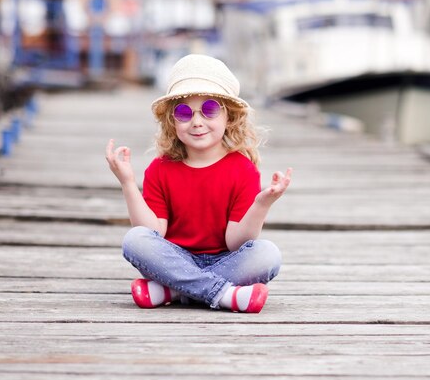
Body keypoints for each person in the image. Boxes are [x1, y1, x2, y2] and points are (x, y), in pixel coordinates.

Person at [105, 54, 292, 313]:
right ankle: (223, 293)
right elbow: (152, 232)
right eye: (184, 112)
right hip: (173, 259)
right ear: (172, 120)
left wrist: (262, 204)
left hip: (226, 259)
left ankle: (173, 290)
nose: (197, 121)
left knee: (268, 254)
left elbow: (236, 243)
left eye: (210, 109)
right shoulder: (160, 169)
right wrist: (127, 183)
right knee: (135, 239)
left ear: (230, 116)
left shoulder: (243, 170)